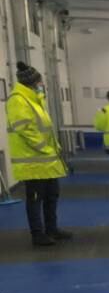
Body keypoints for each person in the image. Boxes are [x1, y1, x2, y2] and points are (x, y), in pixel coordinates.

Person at [6, 62, 71, 247]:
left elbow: (45, 129)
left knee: (52, 195)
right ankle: (38, 234)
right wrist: (45, 148)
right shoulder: (18, 100)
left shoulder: (35, 99)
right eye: (40, 80)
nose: (42, 83)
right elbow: (25, 130)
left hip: (47, 161)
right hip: (33, 161)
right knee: (35, 199)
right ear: (32, 82)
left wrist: (54, 148)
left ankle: (52, 229)